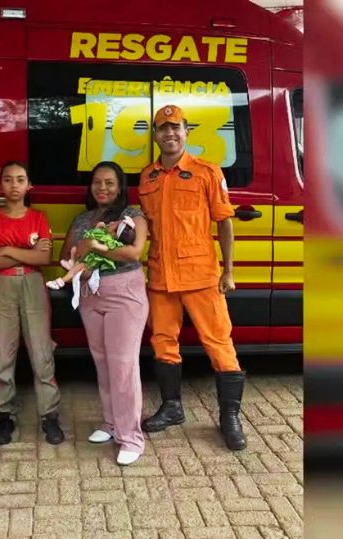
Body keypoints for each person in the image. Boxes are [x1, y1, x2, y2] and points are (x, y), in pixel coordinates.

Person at [138, 105, 247, 451]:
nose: (169, 134)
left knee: (219, 344)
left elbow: (224, 222)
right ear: (155, 135)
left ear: (187, 132)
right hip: (160, 276)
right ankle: (172, 408)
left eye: (176, 128)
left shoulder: (206, 172)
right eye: (163, 129)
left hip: (200, 274)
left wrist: (228, 270)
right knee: (162, 342)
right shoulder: (148, 177)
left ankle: (229, 417)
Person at [60, 161, 149, 466]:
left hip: (125, 294)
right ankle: (111, 424)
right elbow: (64, 255)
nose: (102, 188)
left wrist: (93, 249)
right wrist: (77, 266)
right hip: (89, 294)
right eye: (97, 182)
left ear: (121, 187)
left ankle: (131, 438)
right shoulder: (83, 218)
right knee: (103, 363)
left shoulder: (132, 215)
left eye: (109, 183)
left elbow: (134, 252)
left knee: (123, 365)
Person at [0, 161, 65, 446]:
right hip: (2, 285)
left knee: (41, 350)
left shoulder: (38, 217)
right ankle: (5, 414)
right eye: (8, 179)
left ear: (30, 185)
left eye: (20, 179)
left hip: (32, 284)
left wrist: (10, 250)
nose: (14, 185)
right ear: (0, 185)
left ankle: (49, 415)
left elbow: (43, 259)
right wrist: (27, 252)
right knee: (2, 351)